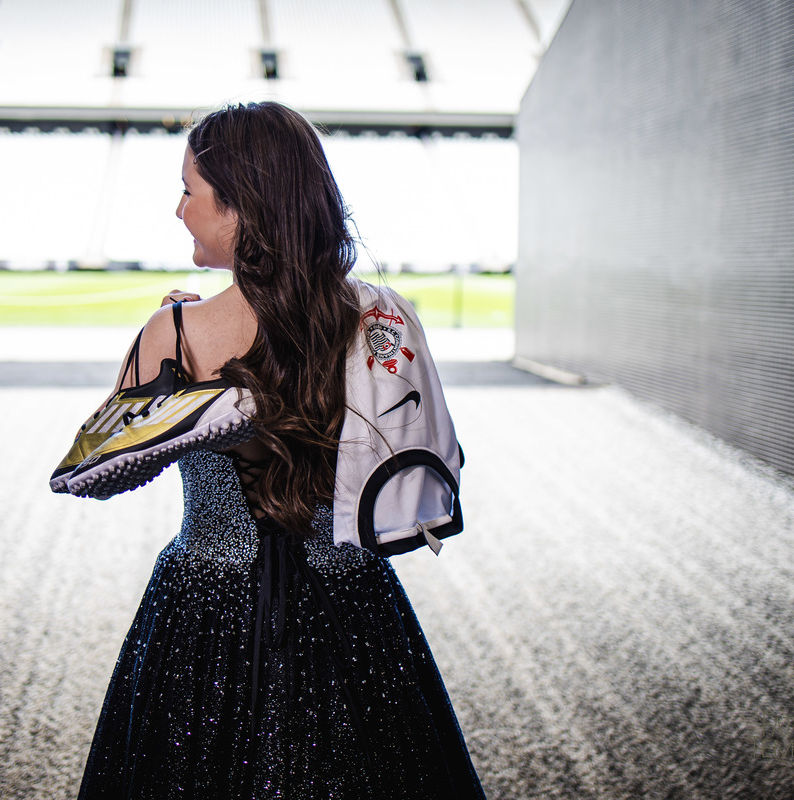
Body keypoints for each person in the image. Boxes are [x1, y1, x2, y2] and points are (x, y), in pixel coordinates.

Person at [75, 102, 486, 799]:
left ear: (240, 208)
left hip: (203, 610)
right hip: (351, 603)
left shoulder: (171, 334)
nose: (179, 210)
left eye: (189, 190)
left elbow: (98, 474)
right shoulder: (374, 320)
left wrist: (174, 347)